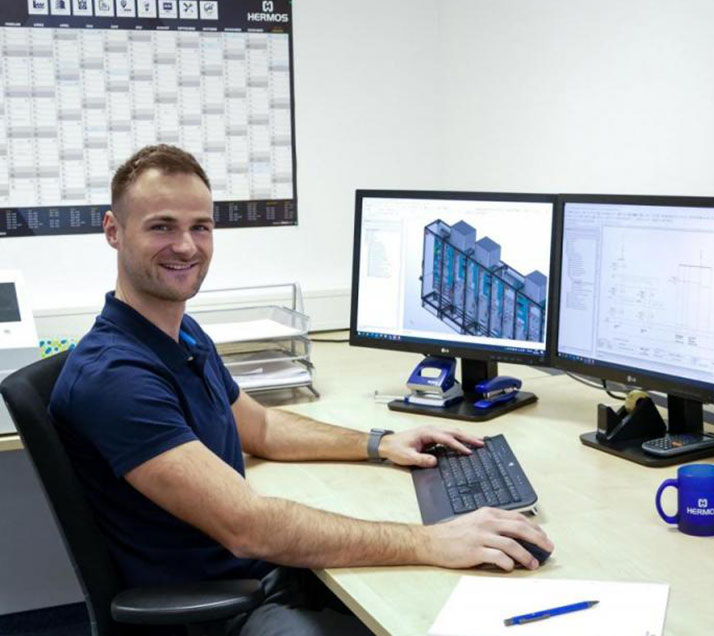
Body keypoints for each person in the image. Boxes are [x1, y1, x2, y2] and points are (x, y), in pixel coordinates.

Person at [50, 145, 553, 635]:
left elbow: (262, 427)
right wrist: (428, 542)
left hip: (262, 573)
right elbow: (248, 525)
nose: (186, 246)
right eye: (161, 226)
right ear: (113, 231)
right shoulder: (115, 378)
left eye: (200, 226)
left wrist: (378, 444)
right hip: (220, 610)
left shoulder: (177, 331)